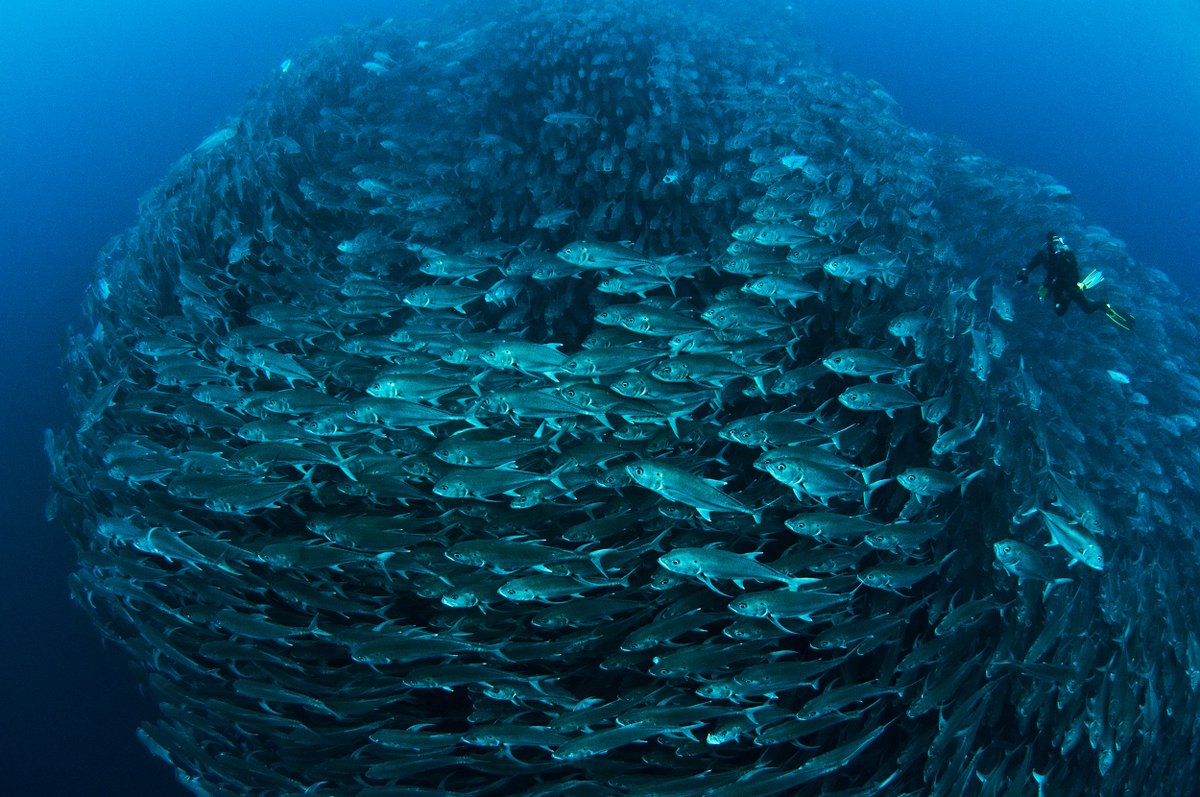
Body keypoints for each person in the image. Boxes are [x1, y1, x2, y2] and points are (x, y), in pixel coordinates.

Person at [1016, 232, 1134, 330]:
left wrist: (1065, 254)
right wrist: (1025, 271)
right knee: (1059, 311)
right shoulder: (1044, 254)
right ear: (1048, 244)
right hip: (1056, 285)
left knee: (1087, 308)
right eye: (1054, 243)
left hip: (1070, 285)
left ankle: (1103, 305)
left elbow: (1074, 267)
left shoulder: (1066, 253)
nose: (1056, 245)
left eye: (1058, 242)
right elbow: (1033, 263)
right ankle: (1070, 296)